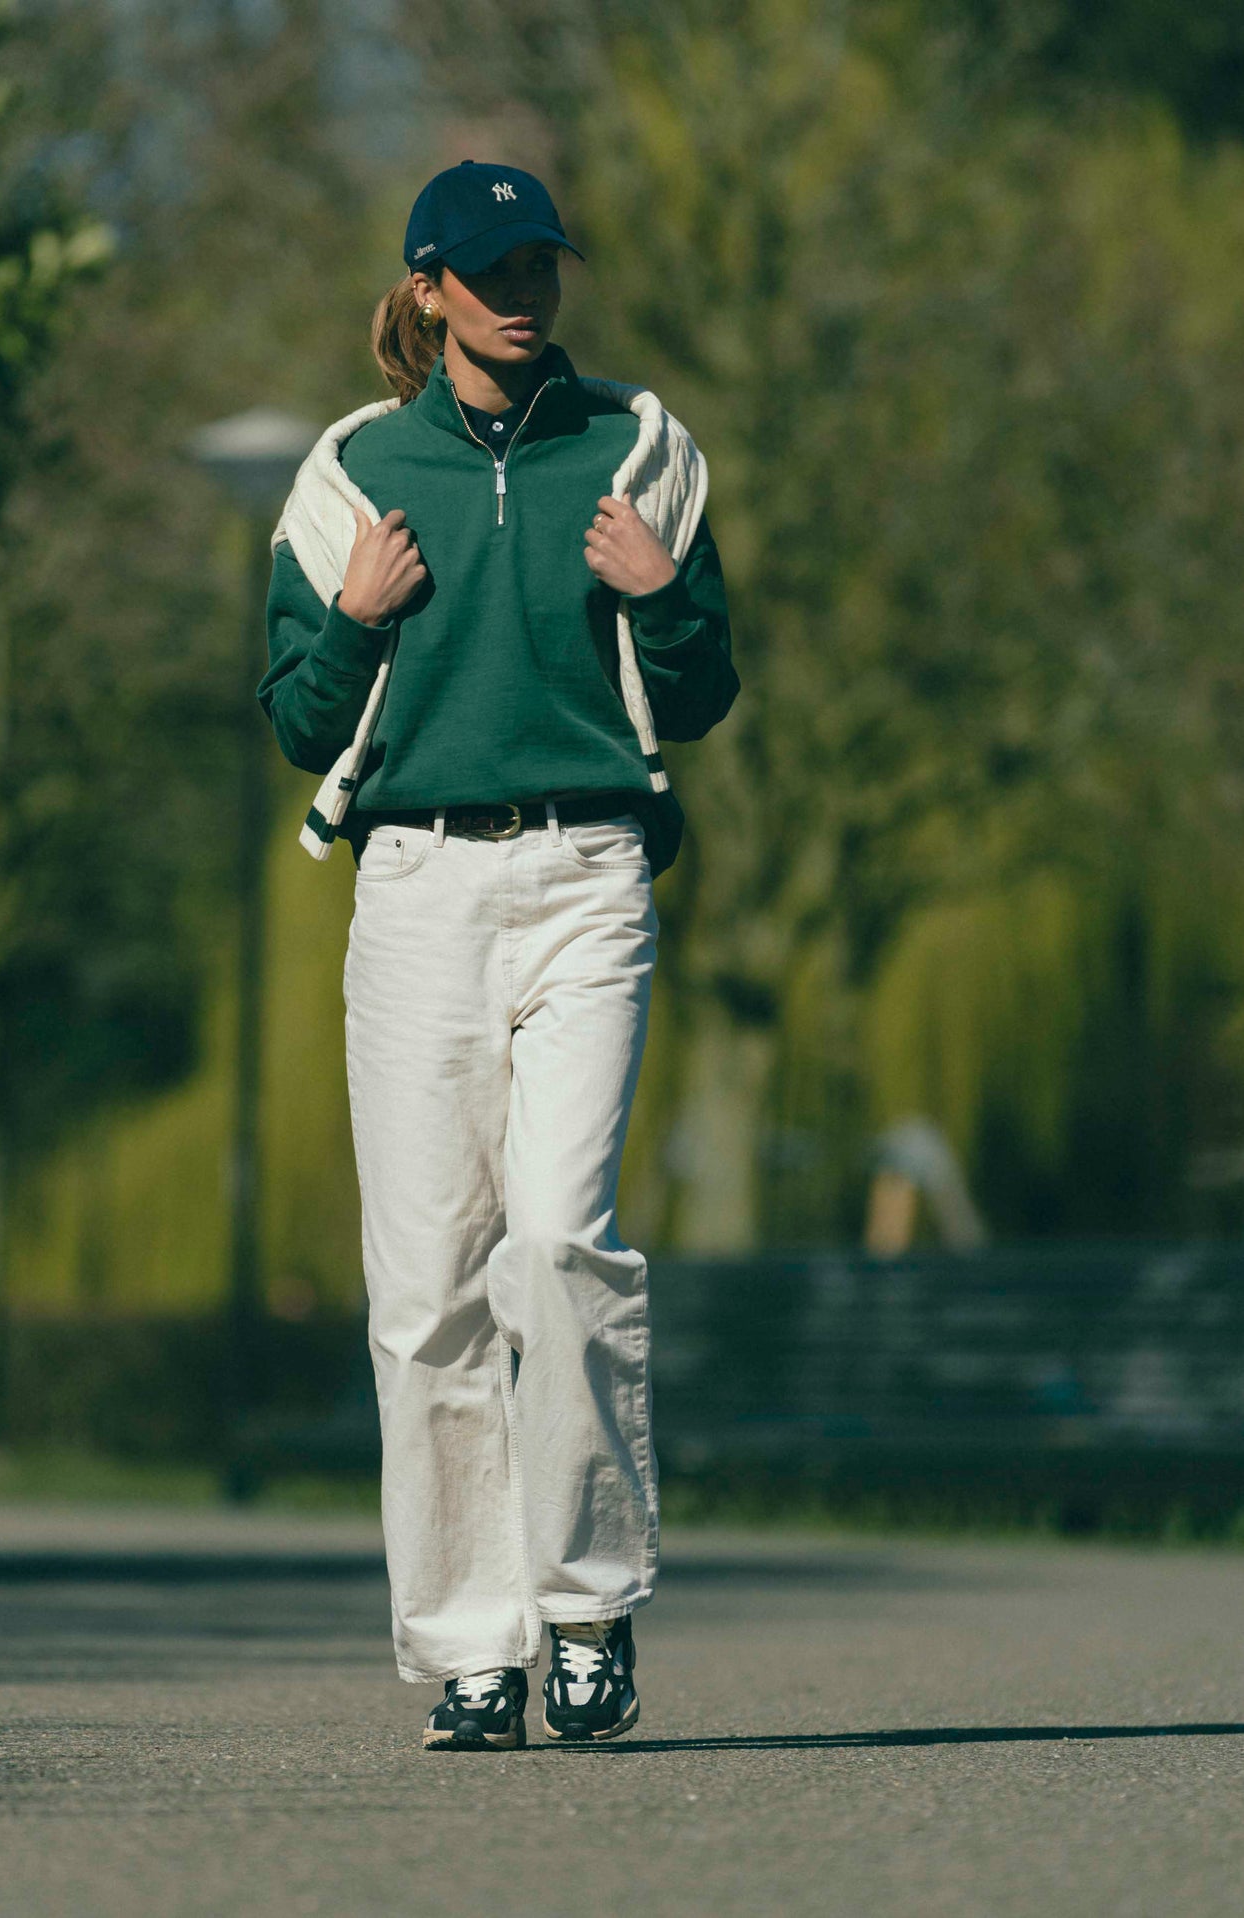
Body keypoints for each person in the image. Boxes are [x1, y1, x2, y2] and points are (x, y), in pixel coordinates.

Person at [257, 160, 739, 1750]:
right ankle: (473, 1646)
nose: (519, 287)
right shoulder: (350, 471)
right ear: (426, 290)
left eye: (537, 259)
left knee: (556, 1241)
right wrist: (355, 614)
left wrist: (660, 596)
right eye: (486, 267)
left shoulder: (639, 444)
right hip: (415, 888)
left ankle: (586, 1606)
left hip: (590, 868)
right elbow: (300, 721)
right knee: (426, 1292)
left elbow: (706, 679)